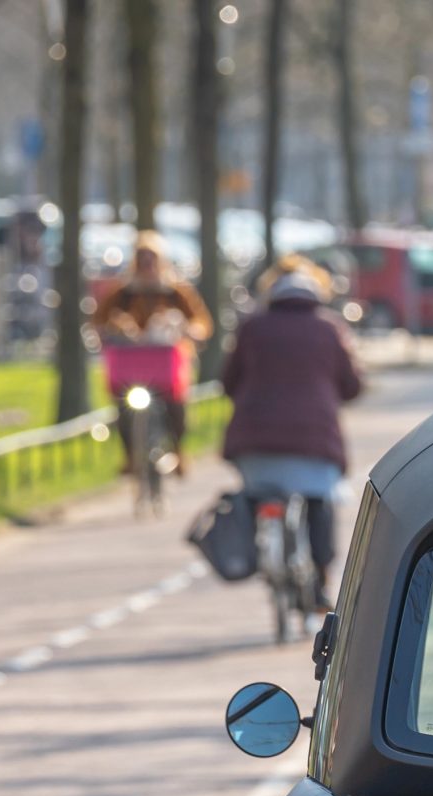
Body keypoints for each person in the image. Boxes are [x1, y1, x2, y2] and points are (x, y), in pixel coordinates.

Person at [220, 255, 365, 591]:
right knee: (318, 499)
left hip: (253, 443)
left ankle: (258, 548)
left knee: (256, 494)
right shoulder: (330, 329)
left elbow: (228, 382)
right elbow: (352, 386)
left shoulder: (251, 328)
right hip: (314, 443)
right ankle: (319, 578)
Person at [95, 232, 214, 476]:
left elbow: (201, 321)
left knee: (176, 405)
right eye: (142, 260)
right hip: (131, 364)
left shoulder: (176, 290)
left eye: (151, 259)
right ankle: (130, 457)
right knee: (123, 408)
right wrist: (111, 332)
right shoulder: (122, 292)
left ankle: (179, 451)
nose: (147, 266)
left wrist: (190, 330)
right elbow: (98, 321)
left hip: (166, 364)